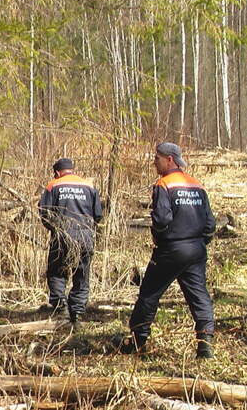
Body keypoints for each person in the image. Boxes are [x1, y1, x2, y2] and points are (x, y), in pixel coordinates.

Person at [116, 142, 216, 359]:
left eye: (157, 158)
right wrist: (200, 242)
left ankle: (137, 341)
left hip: (171, 248)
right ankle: (205, 344)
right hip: (196, 249)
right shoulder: (196, 185)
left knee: (149, 294)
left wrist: (161, 238)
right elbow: (210, 223)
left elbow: (161, 219)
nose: (154, 162)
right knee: (199, 296)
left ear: (169, 159)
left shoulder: (164, 184)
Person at [38, 158, 102, 326]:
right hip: (86, 235)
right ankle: (78, 311)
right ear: (72, 170)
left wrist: (55, 229)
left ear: (57, 172)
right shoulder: (88, 186)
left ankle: (61, 308)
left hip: (62, 235)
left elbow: (45, 214)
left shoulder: (53, 186)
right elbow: (98, 215)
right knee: (82, 273)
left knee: (56, 271)